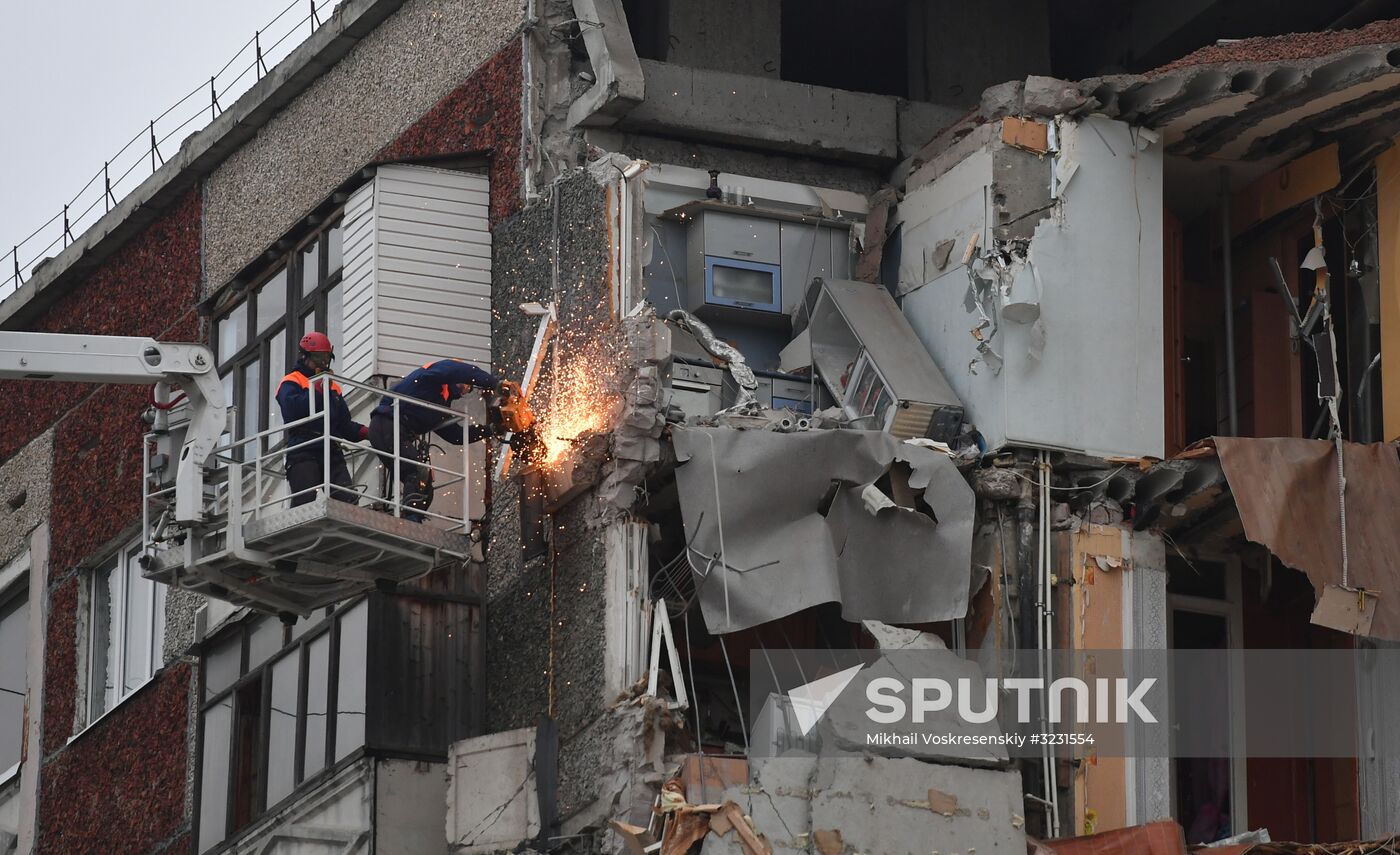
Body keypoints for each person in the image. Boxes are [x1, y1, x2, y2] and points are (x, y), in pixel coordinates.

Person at [369, 358, 507, 521]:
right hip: (387, 425)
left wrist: (490, 430)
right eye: (465, 385)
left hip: (393, 431)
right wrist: (493, 383)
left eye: (468, 389)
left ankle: (414, 520)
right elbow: (457, 370)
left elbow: (456, 436)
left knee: (424, 484)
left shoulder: (439, 406)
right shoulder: (432, 377)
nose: (464, 391)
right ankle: (409, 521)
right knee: (415, 472)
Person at [275, 332, 369, 507]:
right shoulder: (292, 381)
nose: (323, 363)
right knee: (305, 500)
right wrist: (316, 391)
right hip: (304, 448)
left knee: (348, 502)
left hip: (331, 450)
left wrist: (367, 432)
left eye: (326, 358)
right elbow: (292, 411)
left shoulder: (333, 387)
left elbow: (343, 425)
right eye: (319, 358)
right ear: (305, 357)